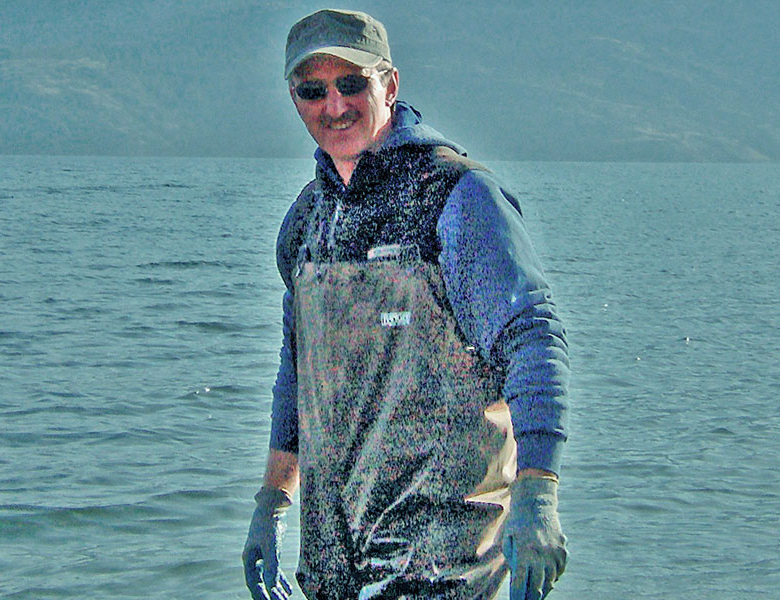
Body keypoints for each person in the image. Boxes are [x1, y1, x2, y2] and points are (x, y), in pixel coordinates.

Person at [242, 9, 571, 600]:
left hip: (448, 566)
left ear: (389, 86)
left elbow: (531, 339)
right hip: (334, 568)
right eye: (313, 90)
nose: (334, 105)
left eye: (352, 84)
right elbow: (298, 374)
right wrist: (272, 502)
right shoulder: (308, 224)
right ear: (293, 99)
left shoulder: (456, 199)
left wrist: (537, 491)